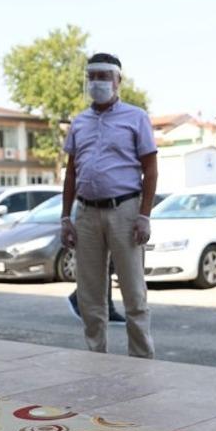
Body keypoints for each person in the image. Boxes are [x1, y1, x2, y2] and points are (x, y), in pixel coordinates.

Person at [60, 53, 157, 358]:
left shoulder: (136, 117)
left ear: (118, 80)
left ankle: (141, 360)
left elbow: (150, 169)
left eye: (104, 76)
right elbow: (71, 172)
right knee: (90, 293)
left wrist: (144, 215)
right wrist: (66, 217)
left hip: (125, 211)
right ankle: (94, 357)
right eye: (92, 76)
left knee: (133, 292)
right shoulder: (79, 122)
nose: (98, 82)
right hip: (86, 212)